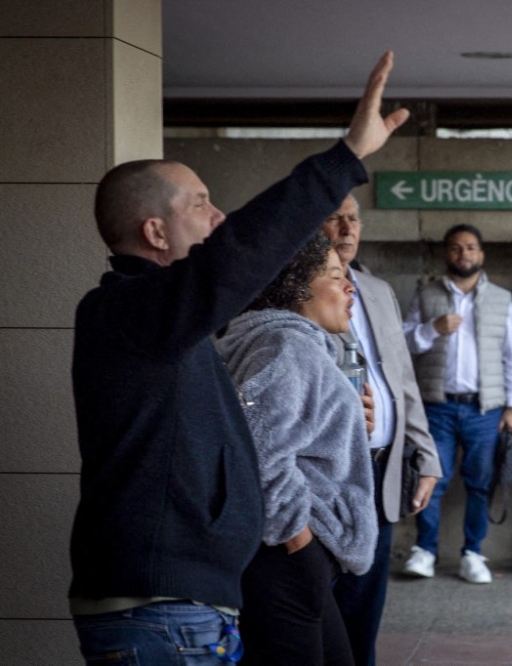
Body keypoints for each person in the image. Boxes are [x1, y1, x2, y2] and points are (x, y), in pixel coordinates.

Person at [68, 52, 407, 663]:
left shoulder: (169, 326)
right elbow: (240, 254)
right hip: (160, 612)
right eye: (200, 203)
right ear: (154, 232)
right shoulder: (131, 313)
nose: (218, 216)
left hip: (184, 606)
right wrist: (343, 160)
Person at [216, 234, 377, 665]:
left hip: (286, 556)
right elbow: (257, 450)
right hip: (285, 557)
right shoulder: (289, 346)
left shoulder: (276, 342)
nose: (350, 288)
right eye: (337, 275)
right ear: (296, 285)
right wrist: (299, 543)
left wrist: (345, 424)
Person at [323, 194, 442, 666]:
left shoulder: (376, 290)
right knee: (320, 611)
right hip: (327, 478)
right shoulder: (289, 292)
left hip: (382, 470)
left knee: (364, 610)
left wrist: (427, 454)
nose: (346, 227)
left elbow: (403, 380)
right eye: (334, 218)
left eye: (353, 218)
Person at [401, 223, 512, 584]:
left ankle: (473, 553)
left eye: (470, 247)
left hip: (484, 409)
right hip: (436, 405)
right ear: (446, 254)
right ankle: (424, 551)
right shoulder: (426, 295)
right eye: (456, 248)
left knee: (479, 483)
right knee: (431, 479)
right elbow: (405, 344)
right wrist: (432, 329)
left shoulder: (502, 299)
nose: (464, 254)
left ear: (481, 254)